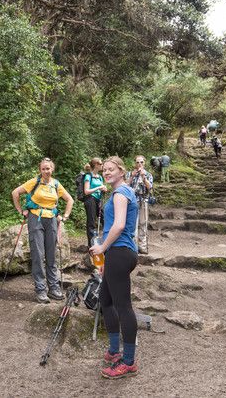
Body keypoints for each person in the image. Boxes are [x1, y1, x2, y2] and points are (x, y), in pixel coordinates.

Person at [88, 156, 140, 379]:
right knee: (106, 301)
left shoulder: (120, 193)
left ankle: (128, 361)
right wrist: (105, 257)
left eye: (111, 169)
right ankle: (113, 350)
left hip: (119, 251)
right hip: (116, 254)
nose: (107, 172)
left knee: (123, 306)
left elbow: (118, 226)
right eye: (104, 169)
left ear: (121, 171)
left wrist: (102, 248)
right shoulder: (121, 192)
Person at [11, 158, 74, 303]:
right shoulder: (34, 182)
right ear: (40, 170)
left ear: (52, 169)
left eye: (48, 168)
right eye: (43, 169)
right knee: (38, 254)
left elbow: (69, 199)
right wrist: (21, 210)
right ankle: (40, 289)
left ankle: (54, 288)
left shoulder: (56, 184)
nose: (46, 171)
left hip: (52, 219)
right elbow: (15, 193)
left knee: (51, 254)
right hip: (35, 218)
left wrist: (65, 216)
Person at [126, 155, 153, 254]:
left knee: (143, 223)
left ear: (144, 163)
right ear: (134, 163)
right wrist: (133, 176)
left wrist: (143, 177)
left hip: (144, 200)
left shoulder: (148, 175)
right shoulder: (130, 174)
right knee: (133, 223)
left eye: (141, 162)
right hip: (132, 201)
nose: (139, 164)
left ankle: (142, 246)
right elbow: (125, 185)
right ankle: (133, 246)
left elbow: (150, 187)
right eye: (137, 162)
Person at [81, 158, 107, 247]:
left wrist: (104, 189)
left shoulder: (100, 177)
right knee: (91, 222)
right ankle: (91, 245)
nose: (102, 165)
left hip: (99, 200)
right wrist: (98, 188)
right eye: (100, 163)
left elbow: (102, 188)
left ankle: (106, 241)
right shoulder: (88, 176)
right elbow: (86, 191)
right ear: (95, 165)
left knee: (105, 219)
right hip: (90, 199)